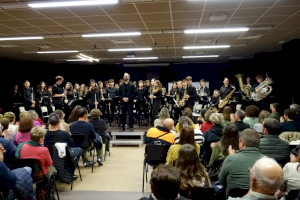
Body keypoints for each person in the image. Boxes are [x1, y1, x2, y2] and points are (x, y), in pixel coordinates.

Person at [218, 129, 264, 196]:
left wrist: (232, 158)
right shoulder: (267, 161)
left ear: (242, 142)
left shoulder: (230, 159)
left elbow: (221, 181)